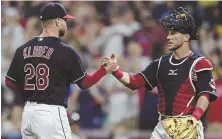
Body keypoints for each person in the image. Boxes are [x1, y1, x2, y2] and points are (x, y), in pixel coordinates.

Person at [5, 2, 118, 139]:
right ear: (57, 21)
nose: (66, 24)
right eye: (65, 20)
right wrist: (105, 70)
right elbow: (85, 83)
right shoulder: (65, 50)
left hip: (28, 113)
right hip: (51, 113)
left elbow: (9, 82)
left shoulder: (22, 49)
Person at [102, 7, 217, 139]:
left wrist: (194, 118)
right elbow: (135, 82)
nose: (168, 37)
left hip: (187, 124)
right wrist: (115, 71)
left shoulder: (200, 63)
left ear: (186, 37)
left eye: (173, 33)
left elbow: (205, 94)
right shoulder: (160, 63)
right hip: (162, 126)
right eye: (168, 33)